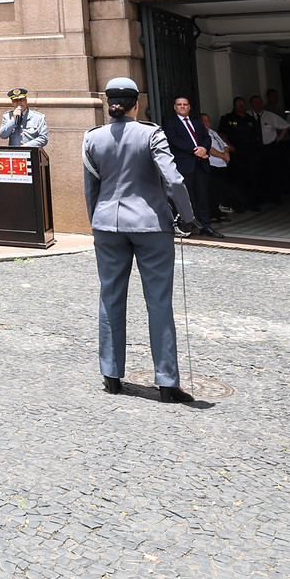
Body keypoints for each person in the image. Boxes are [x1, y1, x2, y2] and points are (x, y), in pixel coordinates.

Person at [82, 76, 197, 403]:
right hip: (150, 225)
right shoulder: (151, 134)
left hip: (107, 224)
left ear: (109, 103)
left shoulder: (92, 138)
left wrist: (96, 222)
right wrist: (187, 217)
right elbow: (173, 180)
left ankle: (111, 375)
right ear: (137, 104)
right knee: (158, 301)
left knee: (110, 297)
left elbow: (91, 188)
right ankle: (167, 382)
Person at [166, 96, 221, 238]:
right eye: (179, 104)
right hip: (185, 164)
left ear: (189, 107)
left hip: (201, 164)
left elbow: (206, 138)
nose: (182, 106)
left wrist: (204, 148)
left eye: (185, 104)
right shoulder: (170, 123)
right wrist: (196, 150)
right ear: (175, 107)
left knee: (203, 195)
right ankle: (185, 225)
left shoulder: (197, 122)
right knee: (185, 196)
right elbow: (174, 140)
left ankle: (206, 226)